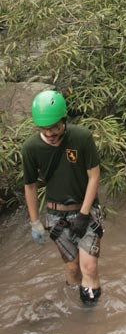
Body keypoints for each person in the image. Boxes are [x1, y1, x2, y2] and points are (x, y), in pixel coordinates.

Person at [22, 90, 103, 304]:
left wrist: (84, 215)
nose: (49, 133)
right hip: (57, 215)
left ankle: (91, 318)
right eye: (44, 129)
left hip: (87, 210)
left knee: (90, 267)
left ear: (63, 120)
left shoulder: (81, 137)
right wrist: (35, 222)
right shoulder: (31, 148)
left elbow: (94, 176)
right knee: (72, 268)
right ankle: (73, 314)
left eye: (54, 128)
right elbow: (29, 186)